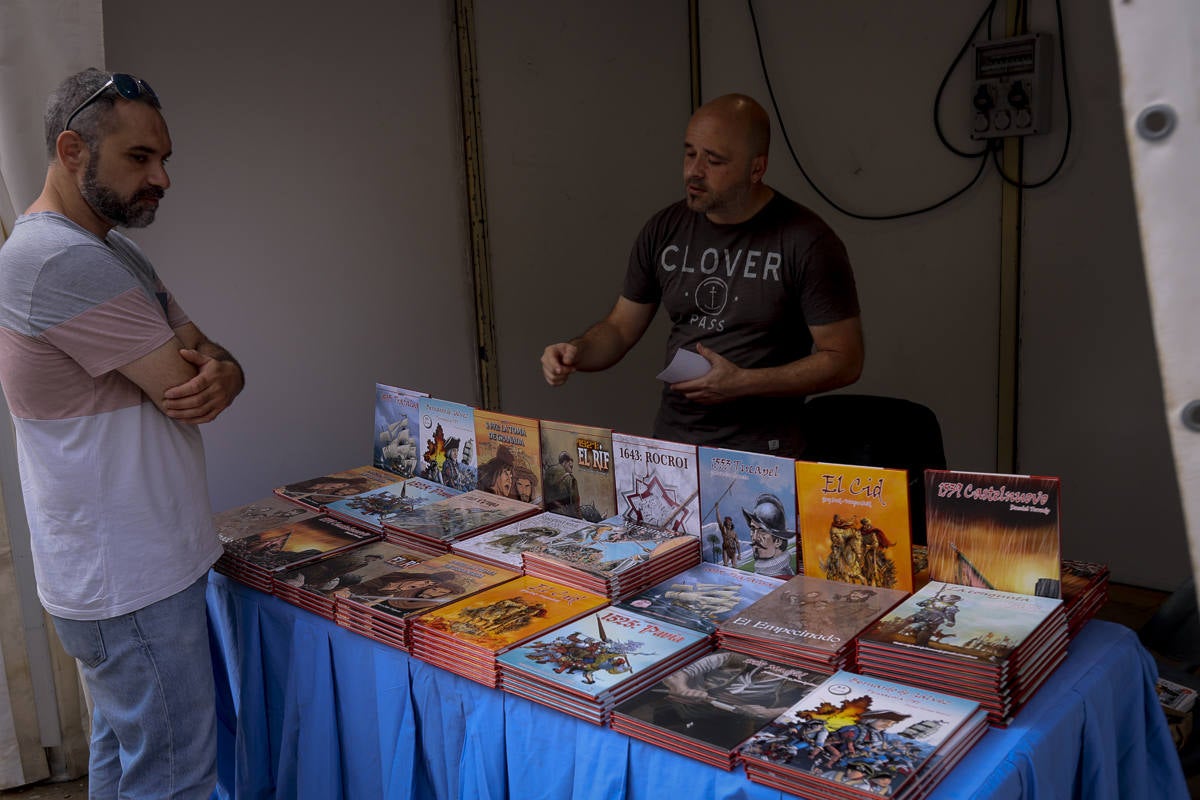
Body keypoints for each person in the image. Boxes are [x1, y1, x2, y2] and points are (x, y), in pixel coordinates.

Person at [0, 69, 245, 799]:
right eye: (140, 158)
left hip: (128, 571)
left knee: (125, 758)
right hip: (130, 577)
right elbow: (183, 381)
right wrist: (217, 373)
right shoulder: (58, 260)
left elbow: (216, 364)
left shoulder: (112, 252)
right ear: (72, 150)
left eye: (164, 159)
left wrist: (227, 373)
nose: (162, 178)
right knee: (173, 778)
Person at [541, 93, 863, 457]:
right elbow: (619, 328)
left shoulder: (806, 241)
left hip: (764, 453)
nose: (694, 171)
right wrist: (577, 351)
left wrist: (743, 383)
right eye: (690, 153)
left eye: (714, 160)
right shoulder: (665, 229)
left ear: (756, 169)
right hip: (675, 442)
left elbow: (845, 359)